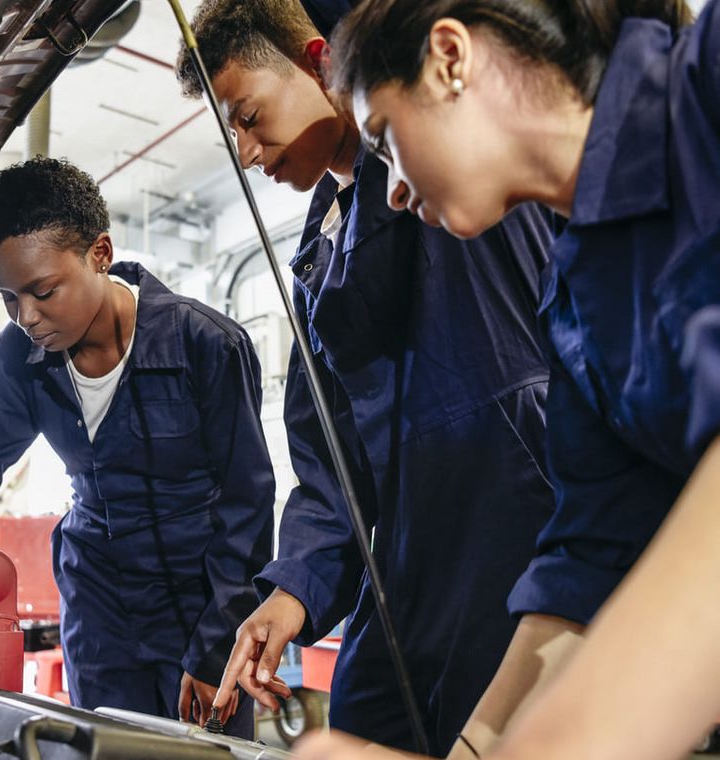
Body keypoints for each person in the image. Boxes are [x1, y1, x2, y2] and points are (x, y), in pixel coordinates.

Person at [299, 2, 720, 759]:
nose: (391, 192)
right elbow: (584, 567)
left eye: (385, 141)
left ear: (449, 58)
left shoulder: (709, 82)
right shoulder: (578, 305)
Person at [176, 0, 558, 753]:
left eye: (248, 117)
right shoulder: (316, 266)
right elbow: (332, 471)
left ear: (321, 63)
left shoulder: (456, 165)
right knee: (360, 729)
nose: (246, 153)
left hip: (524, 526)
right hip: (407, 566)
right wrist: (292, 590)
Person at [0, 157, 275, 737]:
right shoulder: (17, 358)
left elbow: (246, 507)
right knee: (101, 747)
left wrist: (218, 647)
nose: (26, 317)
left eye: (43, 291)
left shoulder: (205, 345)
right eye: (9, 298)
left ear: (100, 254)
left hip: (200, 608)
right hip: (100, 612)